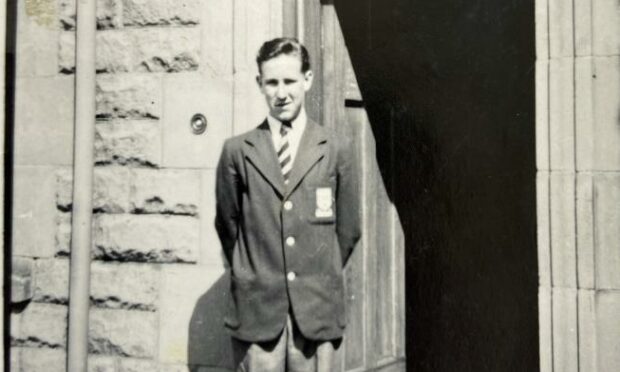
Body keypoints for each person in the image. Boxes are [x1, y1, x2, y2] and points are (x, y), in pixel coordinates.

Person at [215, 37, 361, 372]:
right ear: (259, 84)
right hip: (258, 313)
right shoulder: (238, 152)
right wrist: (253, 273)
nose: (281, 93)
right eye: (272, 83)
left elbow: (349, 230)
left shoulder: (334, 148)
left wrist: (316, 275)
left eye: (290, 81)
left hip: (315, 311)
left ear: (307, 80)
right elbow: (228, 225)